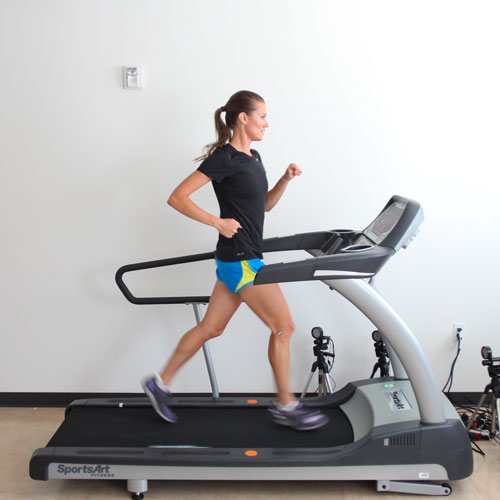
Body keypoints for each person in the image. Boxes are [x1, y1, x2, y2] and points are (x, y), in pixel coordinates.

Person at [142, 90, 328, 431]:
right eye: (262, 117)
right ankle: (286, 405)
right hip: (241, 259)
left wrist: (285, 180)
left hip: (238, 259)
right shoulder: (223, 158)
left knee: (211, 328)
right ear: (243, 118)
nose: (267, 124)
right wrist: (217, 221)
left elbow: (265, 206)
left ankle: (160, 382)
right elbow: (177, 197)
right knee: (283, 327)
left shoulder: (254, 158)